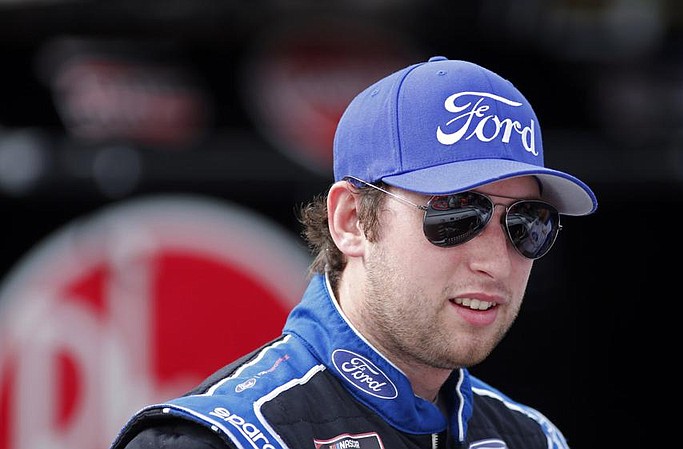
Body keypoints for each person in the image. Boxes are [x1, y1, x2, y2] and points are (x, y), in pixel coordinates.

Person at [108, 55, 598, 449]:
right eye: (455, 216)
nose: (494, 262)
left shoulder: (533, 438)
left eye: (526, 224)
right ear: (351, 222)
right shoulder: (218, 438)